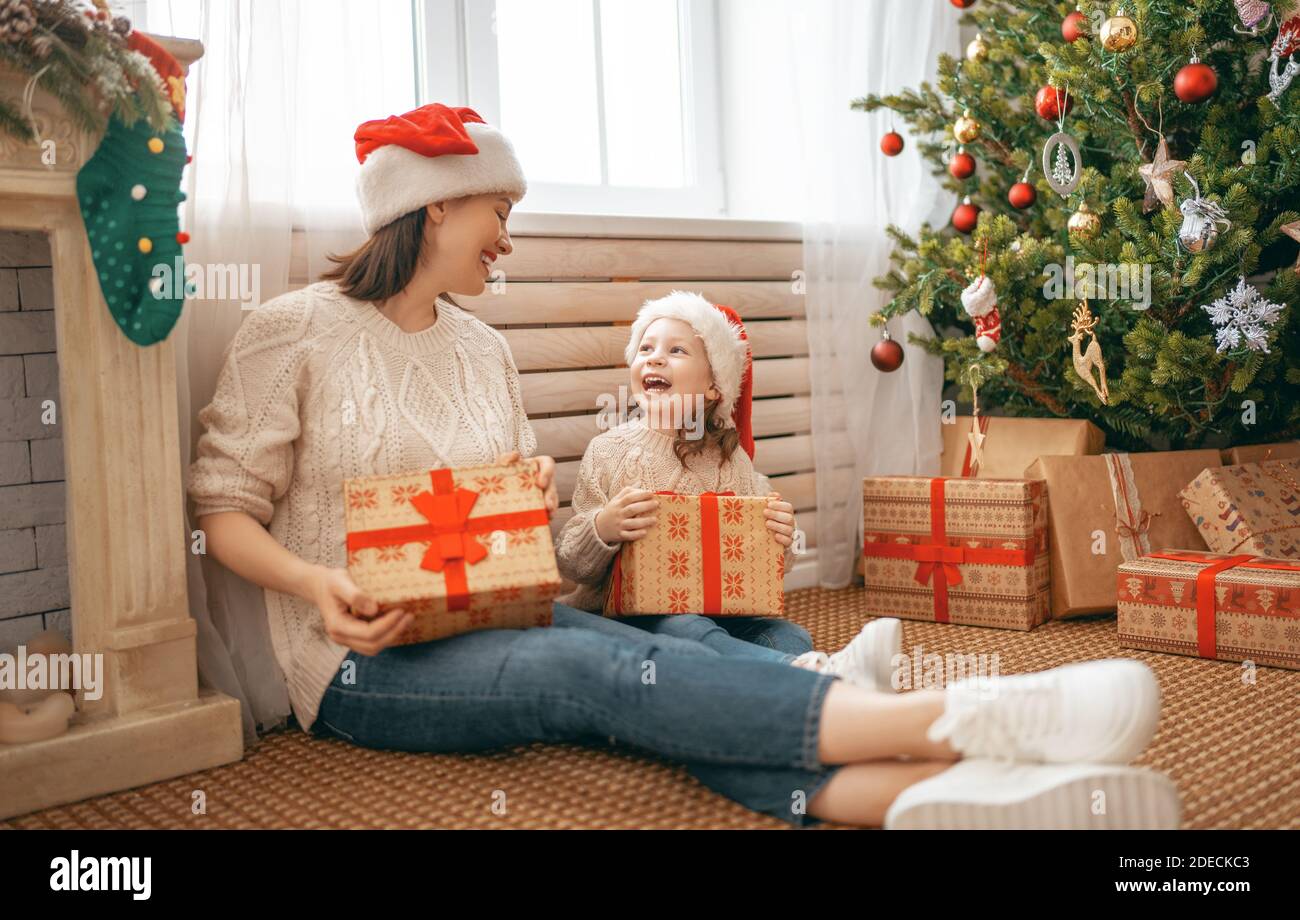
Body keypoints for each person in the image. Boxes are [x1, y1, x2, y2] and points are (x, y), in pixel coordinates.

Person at [187, 102, 1180, 829]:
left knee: (678, 667)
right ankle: (959, 717)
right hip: (362, 666)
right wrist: (317, 583)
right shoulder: (293, 332)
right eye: (498, 207)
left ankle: (936, 797)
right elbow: (225, 509)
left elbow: (510, 532)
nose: (508, 237)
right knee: (598, 665)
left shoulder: (480, 349)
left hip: (489, 614)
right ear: (435, 208)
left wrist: (525, 497)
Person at [554, 289, 903, 691]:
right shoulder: (609, 451)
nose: (655, 357)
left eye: (677, 351)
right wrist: (603, 527)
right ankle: (815, 677)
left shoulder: (730, 460)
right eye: (645, 348)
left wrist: (779, 537)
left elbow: (766, 564)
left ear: (713, 388)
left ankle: (784, 666)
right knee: (687, 627)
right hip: (630, 617)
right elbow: (571, 564)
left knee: (789, 633)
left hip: (724, 611)